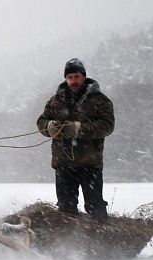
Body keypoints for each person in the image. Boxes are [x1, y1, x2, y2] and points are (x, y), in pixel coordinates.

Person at [37, 58, 115, 223]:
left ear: (84, 77)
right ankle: (70, 245)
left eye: (77, 76)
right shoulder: (55, 101)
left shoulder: (101, 100)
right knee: (65, 210)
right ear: (66, 78)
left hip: (90, 164)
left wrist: (78, 129)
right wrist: (50, 127)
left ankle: (104, 245)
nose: (74, 81)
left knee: (95, 208)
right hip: (64, 164)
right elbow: (41, 122)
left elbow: (107, 126)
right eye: (70, 77)